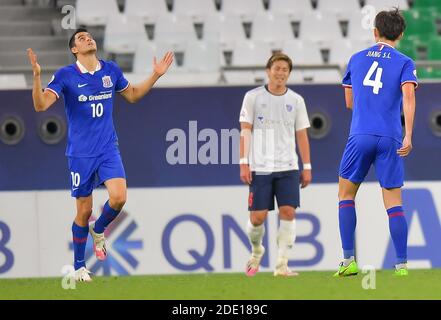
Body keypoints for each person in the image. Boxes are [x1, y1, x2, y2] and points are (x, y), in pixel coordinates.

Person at [27, 28, 173, 282]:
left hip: (107, 149)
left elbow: (134, 95)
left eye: (89, 36)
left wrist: (155, 75)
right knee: (84, 211)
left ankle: (99, 229)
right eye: (81, 38)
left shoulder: (111, 70)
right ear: (74, 49)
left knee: (119, 198)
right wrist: (37, 76)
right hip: (80, 154)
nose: (88, 39)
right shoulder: (65, 75)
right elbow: (40, 105)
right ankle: (79, 267)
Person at [335, 9, 417, 277]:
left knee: (346, 196)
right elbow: (408, 97)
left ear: (375, 32)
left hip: (360, 134)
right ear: (401, 34)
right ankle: (402, 265)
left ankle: (348, 261)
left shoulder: (356, 60)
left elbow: (349, 103)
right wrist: (408, 135)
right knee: (394, 203)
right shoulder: (405, 62)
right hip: (391, 137)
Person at [239, 52, 312, 277]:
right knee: (257, 217)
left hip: (288, 166)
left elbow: (301, 135)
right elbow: (245, 130)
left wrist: (307, 166)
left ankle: (282, 264)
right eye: (277, 68)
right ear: (268, 71)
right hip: (260, 166)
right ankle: (256, 250)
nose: (280, 73)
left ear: (289, 74)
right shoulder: (252, 97)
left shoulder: (297, 100)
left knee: (288, 211)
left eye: (285, 70)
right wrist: (244, 162)